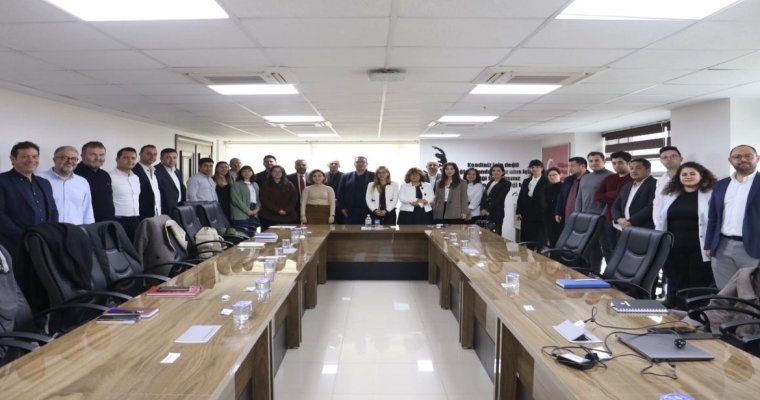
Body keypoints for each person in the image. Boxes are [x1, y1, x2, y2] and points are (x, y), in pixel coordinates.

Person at [657, 162, 717, 307]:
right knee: (677, 279)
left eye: (692, 174)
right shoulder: (670, 194)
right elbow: (661, 219)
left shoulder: (711, 194)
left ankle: (696, 313)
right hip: (674, 247)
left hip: (700, 247)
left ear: (701, 176)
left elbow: (715, 221)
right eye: (684, 174)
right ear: (679, 177)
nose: (688, 177)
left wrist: (712, 244)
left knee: (699, 282)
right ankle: (679, 310)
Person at [705, 144, 760, 289]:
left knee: (751, 294)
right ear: (730, 161)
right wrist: (709, 244)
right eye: (737, 157)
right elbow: (713, 218)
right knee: (725, 293)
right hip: (722, 246)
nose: (743, 159)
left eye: (748, 156)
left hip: (754, 247)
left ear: (757, 158)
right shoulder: (721, 185)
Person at [0, 141, 58, 258]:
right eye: (25, 157)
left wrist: (50, 233)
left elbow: (52, 211)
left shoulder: (44, 183)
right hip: (14, 245)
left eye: (34, 156)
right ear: (13, 159)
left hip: (44, 242)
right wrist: (24, 237)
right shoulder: (2, 181)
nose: (31, 160)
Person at [574, 151, 613, 274]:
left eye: (597, 160)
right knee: (590, 247)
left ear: (604, 161)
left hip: (602, 218)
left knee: (606, 247)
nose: (593, 163)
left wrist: (602, 216)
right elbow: (579, 197)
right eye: (591, 161)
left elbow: (610, 199)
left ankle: (611, 276)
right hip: (585, 217)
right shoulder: (585, 177)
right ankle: (592, 272)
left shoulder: (611, 177)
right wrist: (577, 215)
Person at [37, 146, 94, 225]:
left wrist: (89, 229)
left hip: (75, 229)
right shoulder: (39, 178)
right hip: (48, 229)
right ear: (54, 159)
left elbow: (87, 211)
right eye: (64, 158)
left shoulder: (82, 182)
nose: (69, 161)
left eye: (73, 158)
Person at [594, 151, 632, 259]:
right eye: (614, 163)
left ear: (628, 163)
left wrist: (608, 194)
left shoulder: (632, 178)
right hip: (609, 219)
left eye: (620, 162)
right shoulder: (609, 178)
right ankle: (611, 269)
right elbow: (597, 196)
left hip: (626, 220)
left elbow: (622, 196)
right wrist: (615, 195)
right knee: (610, 249)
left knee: (625, 251)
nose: (616, 165)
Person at [74, 141, 114, 222]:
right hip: (85, 223)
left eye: (101, 155)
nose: (98, 158)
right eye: (93, 155)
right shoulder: (74, 174)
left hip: (107, 222)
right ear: (82, 156)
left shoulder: (105, 175)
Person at [611, 158, 656, 230]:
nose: (633, 171)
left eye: (638, 168)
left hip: (644, 228)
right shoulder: (627, 185)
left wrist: (631, 221)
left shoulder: (655, 184)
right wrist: (618, 219)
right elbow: (615, 205)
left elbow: (651, 207)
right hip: (623, 227)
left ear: (648, 170)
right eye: (631, 168)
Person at [109, 147, 141, 240]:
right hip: (118, 220)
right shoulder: (109, 177)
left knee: (136, 246)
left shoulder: (136, 178)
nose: (130, 161)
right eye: (126, 158)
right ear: (117, 160)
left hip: (135, 219)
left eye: (133, 158)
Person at [516, 160, 548, 246]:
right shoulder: (526, 181)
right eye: (532, 167)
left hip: (540, 215)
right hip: (526, 214)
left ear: (542, 168)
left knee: (540, 240)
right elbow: (521, 197)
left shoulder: (546, 180)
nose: (534, 169)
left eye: (537, 167)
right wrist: (518, 211)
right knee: (527, 239)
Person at [653, 146, 684, 231]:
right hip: (665, 225)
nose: (669, 159)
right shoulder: (660, 181)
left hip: (685, 223)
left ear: (681, 159)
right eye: (665, 157)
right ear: (661, 161)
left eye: (673, 156)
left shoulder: (689, 178)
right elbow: (657, 204)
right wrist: (658, 224)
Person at [338, 156, 375, 224]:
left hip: (369, 210)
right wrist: (342, 208)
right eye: (358, 162)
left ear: (366, 164)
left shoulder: (374, 176)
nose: (360, 164)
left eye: (363, 162)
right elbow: (340, 193)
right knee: (351, 230)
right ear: (354, 164)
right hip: (350, 211)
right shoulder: (345, 176)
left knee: (369, 230)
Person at [555, 157, 588, 225]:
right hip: (567, 216)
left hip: (583, 216)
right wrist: (558, 212)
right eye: (569, 166)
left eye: (572, 166)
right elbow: (561, 196)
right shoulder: (568, 180)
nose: (570, 168)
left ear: (582, 166)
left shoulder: (590, 179)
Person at [480, 163, 511, 235]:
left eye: (498, 171)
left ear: (503, 172)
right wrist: (482, 209)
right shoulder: (490, 182)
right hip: (485, 213)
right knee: (485, 235)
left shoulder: (506, 183)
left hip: (496, 212)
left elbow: (499, 198)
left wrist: (488, 210)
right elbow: (484, 197)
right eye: (493, 170)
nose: (495, 172)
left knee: (495, 235)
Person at [132, 145, 161, 219]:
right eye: (148, 154)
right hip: (142, 215)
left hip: (157, 213)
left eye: (155, 154)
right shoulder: (133, 171)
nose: (152, 157)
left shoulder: (155, 171)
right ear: (140, 154)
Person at [154, 148, 186, 216]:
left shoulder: (177, 171)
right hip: (165, 209)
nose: (172, 160)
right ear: (161, 158)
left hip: (178, 207)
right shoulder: (155, 171)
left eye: (174, 157)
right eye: (168, 157)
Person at [229, 165, 261, 232]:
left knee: (252, 234)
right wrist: (248, 211)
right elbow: (236, 200)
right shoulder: (236, 184)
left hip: (254, 212)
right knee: (242, 234)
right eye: (244, 171)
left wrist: (257, 209)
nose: (247, 173)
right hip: (240, 213)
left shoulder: (255, 184)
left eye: (249, 171)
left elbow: (258, 198)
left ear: (252, 173)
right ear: (241, 173)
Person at [544, 167, 563, 247]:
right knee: (551, 239)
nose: (552, 177)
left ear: (560, 175)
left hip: (560, 217)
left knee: (560, 239)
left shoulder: (564, 187)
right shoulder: (546, 188)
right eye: (550, 175)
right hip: (548, 217)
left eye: (554, 175)